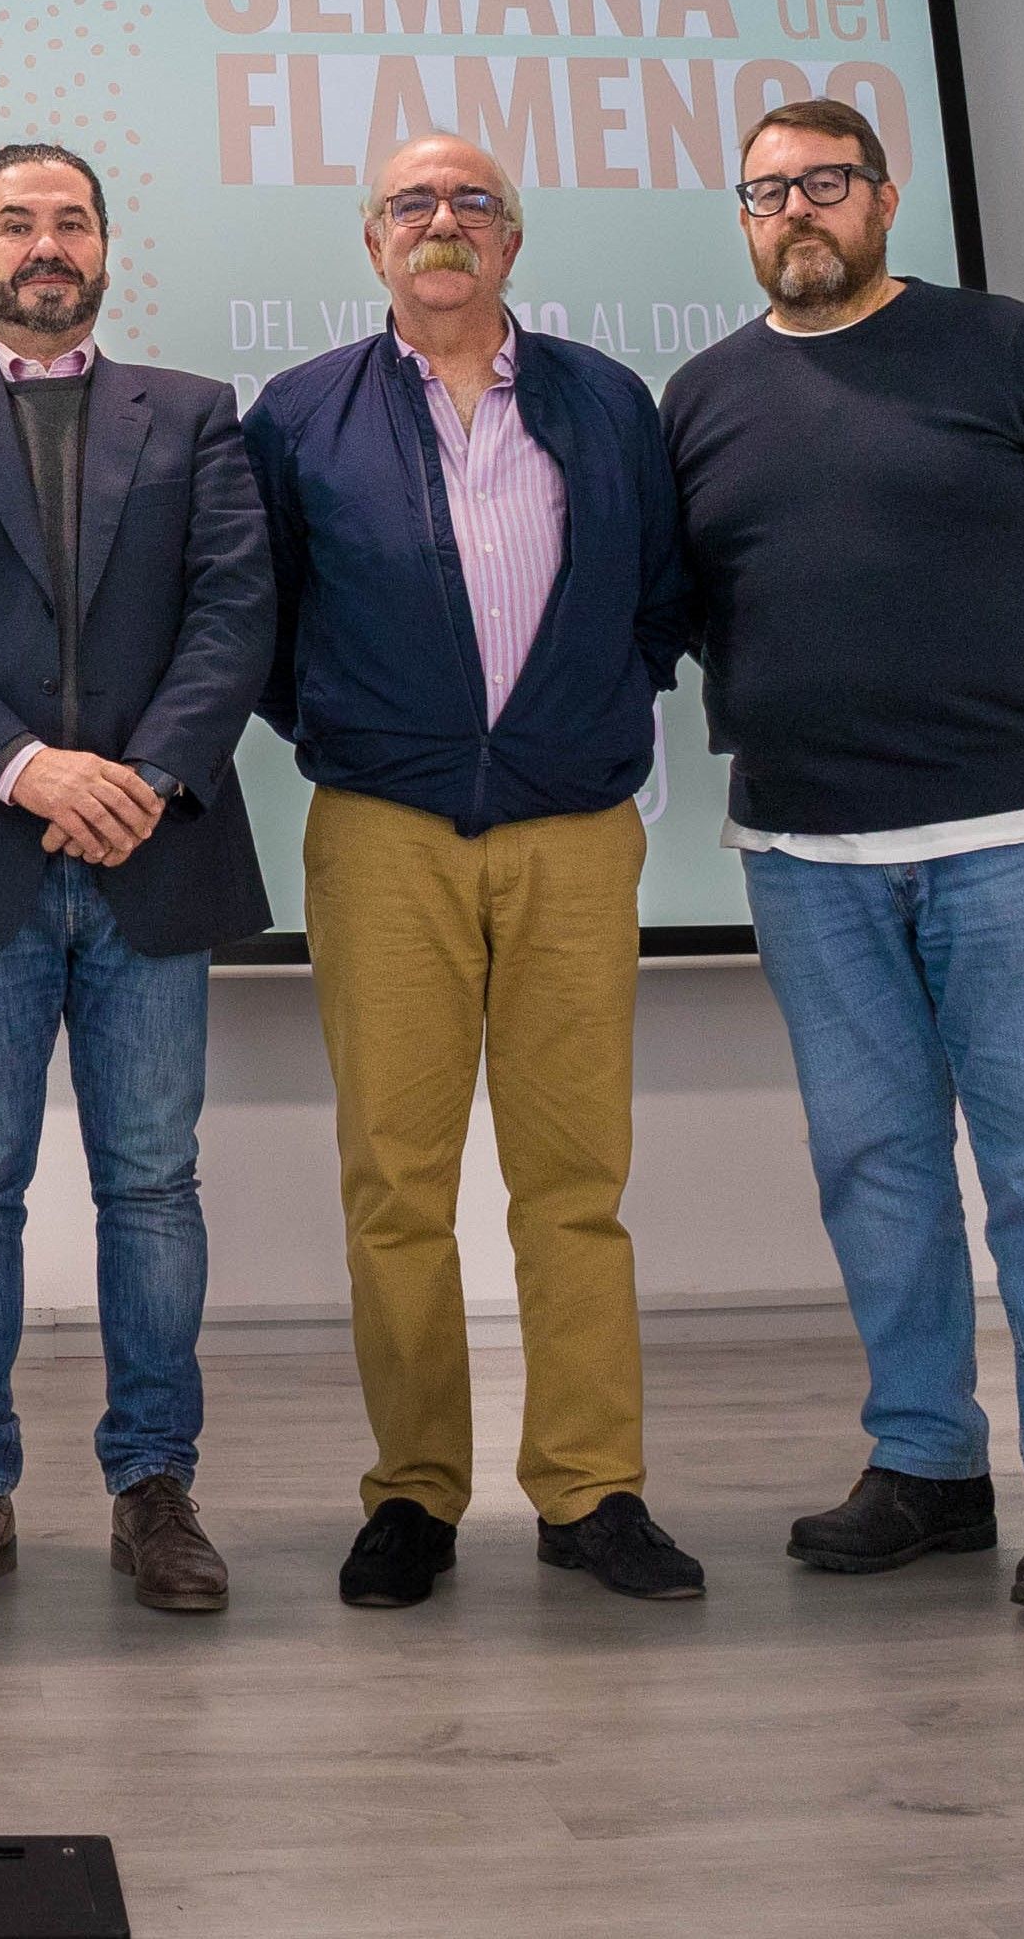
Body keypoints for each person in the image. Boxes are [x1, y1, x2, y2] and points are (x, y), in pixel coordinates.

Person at [665, 97, 1024, 1624]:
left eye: (824, 182)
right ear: (745, 219)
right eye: (766, 192)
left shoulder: (1004, 347)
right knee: (876, 1164)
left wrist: (1016, 692)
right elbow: (690, 600)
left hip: (1005, 828)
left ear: (884, 200)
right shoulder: (704, 393)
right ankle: (931, 1459)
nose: (795, 210)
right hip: (805, 843)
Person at [242, 132, 703, 1612]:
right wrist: (372, 733)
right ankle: (415, 1493)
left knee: (577, 1176)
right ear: (371, 240)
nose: (445, 224)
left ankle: (592, 1487)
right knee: (396, 1180)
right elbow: (261, 625)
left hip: (573, 830)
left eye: (474, 204)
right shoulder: (301, 413)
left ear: (515, 239)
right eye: (414, 204)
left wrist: (576, 722)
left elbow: (659, 598)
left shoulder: (608, 401)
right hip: (383, 833)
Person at [0, 142, 274, 1616]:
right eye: (15, 223)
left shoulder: (201, 416)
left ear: (105, 247)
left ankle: (156, 1488)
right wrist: (30, 768)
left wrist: (140, 777)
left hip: (156, 852)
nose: (44, 243)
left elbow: (235, 611)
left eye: (69, 220)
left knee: (153, 1184)